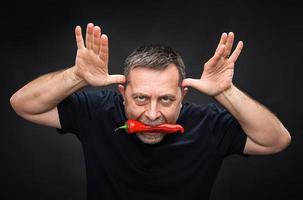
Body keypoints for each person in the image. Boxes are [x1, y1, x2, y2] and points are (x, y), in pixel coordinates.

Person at [10, 23, 291, 200]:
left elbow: (276, 141)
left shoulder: (210, 125)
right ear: (123, 93)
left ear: (183, 95)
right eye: (141, 98)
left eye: (167, 99)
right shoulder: (98, 112)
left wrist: (225, 92)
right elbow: (23, 104)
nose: (153, 114)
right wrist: (77, 77)